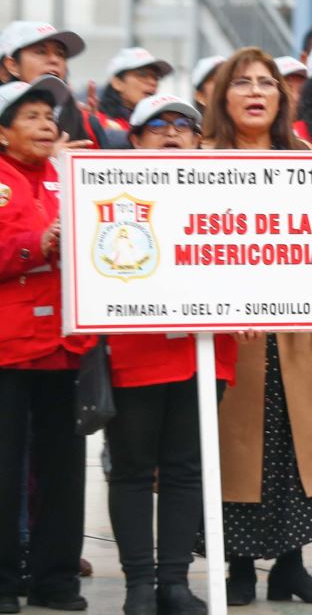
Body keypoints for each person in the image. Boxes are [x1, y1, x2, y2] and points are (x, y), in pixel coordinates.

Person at [203, 49, 312, 607]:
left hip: (298, 329)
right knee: (237, 448)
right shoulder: (202, 162)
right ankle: (237, 566)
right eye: (242, 83)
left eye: (266, 83)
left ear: (281, 97)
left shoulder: (309, 160)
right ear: (223, 96)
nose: (255, 91)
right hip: (231, 332)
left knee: (299, 443)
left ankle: (291, 566)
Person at [109, 96, 237, 615]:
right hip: (135, 350)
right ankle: (138, 585)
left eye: (184, 125)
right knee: (134, 468)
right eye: (156, 125)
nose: (172, 133)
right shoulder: (109, 191)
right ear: (135, 140)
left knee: (187, 469)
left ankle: (174, 583)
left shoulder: (224, 193)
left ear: (199, 139)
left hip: (204, 349)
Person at [0, 75, 94, 615]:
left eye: (49, 116)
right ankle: (3, 580)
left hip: (63, 346)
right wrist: (35, 244)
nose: (45, 125)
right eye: (31, 116)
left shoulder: (69, 177)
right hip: (9, 348)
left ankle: (56, 579)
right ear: (3, 130)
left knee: (63, 470)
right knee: (5, 469)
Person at [0, 22, 110, 144]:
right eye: (41, 51)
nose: (54, 60)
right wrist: (50, 158)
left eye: (60, 53)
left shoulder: (86, 122)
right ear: (13, 65)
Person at [92, 47, 173, 142]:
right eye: (142, 74)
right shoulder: (96, 121)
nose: (153, 82)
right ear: (117, 83)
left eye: (156, 77)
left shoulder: (167, 127)